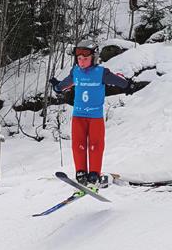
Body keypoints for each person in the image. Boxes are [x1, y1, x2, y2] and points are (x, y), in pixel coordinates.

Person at [49, 40, 136, 190]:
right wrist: (57, 87)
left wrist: (128, 85)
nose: (82, 62)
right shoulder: (75, 72)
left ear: (93, 57)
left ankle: (94, 174)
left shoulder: (101, 73)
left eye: (86, 59)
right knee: (78, 145)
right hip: (78, 116)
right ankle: (81, 172)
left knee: (96, 145)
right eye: (79, 59)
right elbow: (65, 84)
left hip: (95, 117)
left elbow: (117, 80)